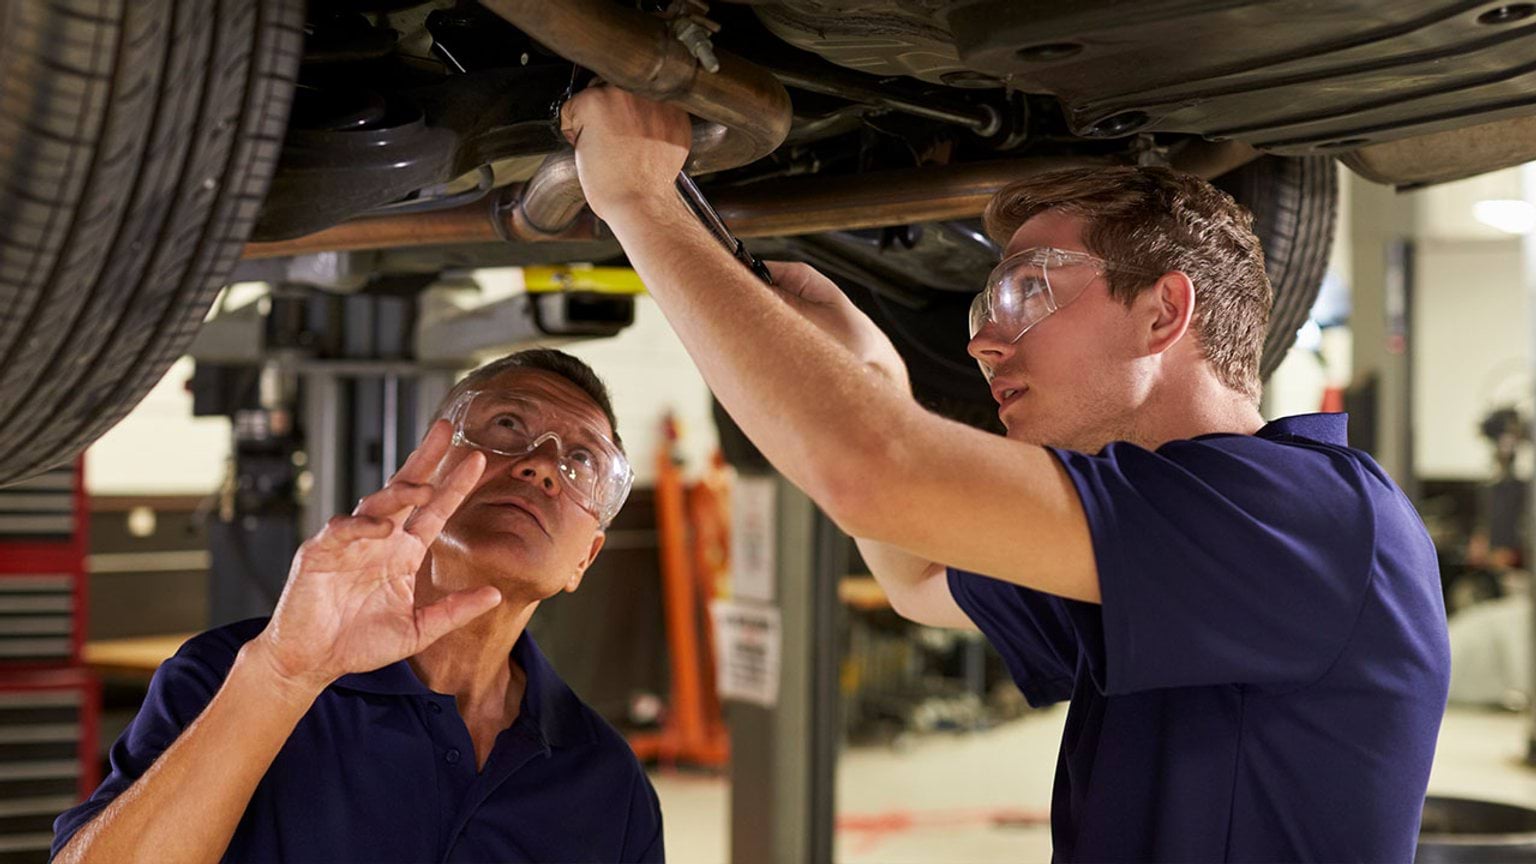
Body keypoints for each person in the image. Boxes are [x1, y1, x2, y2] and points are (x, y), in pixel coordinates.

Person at [561, 87, 1450, 861]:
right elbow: (920, 576)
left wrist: (642, 199)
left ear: (1162, 312)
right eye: (987, 304)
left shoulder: (1307, 516)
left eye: (1027, 291)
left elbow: (878, 474)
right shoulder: (1169, 538)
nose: (981, 339)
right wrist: (868, 373)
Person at [52, 349, 664, 863]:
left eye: (582, 459)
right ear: (423, 466)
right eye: (507, 425)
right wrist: (283, 674)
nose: (541, 466)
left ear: (586, 558)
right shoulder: (228, 676)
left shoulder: (608, 781)